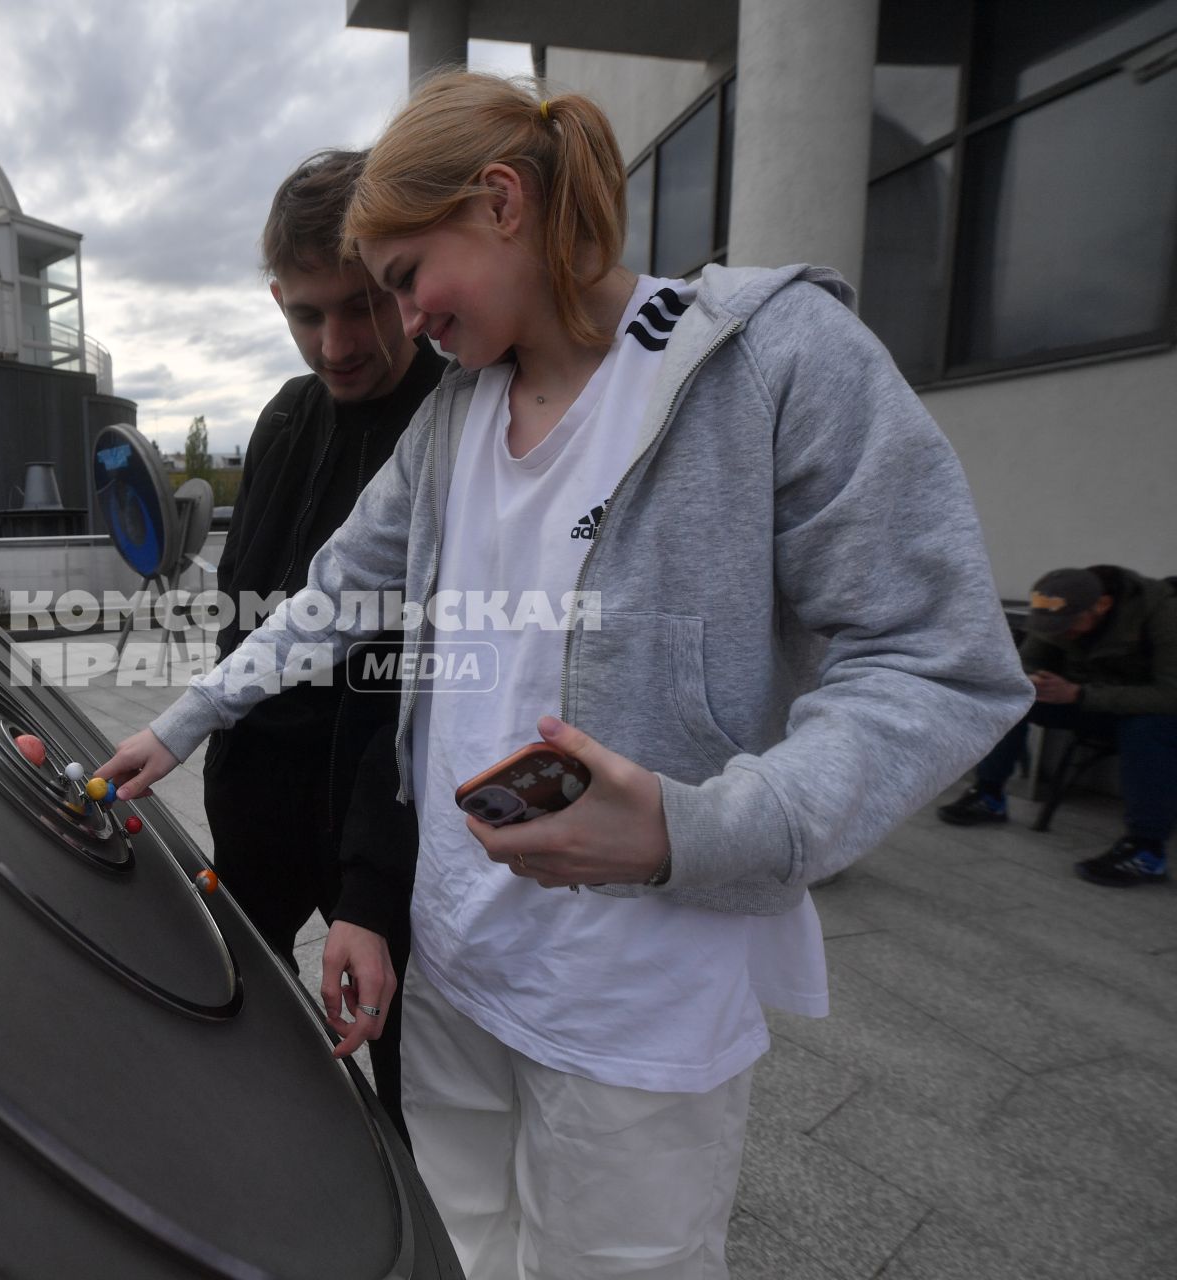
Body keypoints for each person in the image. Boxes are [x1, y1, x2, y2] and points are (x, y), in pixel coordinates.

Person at [101, 71, 1031, 1278]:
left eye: (402, 281)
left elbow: (938, 662)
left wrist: (693, 827)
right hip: (453, 970)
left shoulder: (769, 360)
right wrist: (177, 725)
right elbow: (332, 600)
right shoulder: (451, 422)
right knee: (461, 1249)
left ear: (499, 202)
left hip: (633, 1000)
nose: (403, 320)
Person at [203, 149, 444, 1136]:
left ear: (402, 284)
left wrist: (374, 889)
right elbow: (237, 606)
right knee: (235, 1035)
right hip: (256, 810)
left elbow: (424, 675)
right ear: (276, 300)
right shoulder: (284, 417)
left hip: (380, 820)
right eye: (307, 314)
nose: (335, 342)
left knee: (404, 1095)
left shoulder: (454, 418)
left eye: (359, 306)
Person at [939, 565, 1177, 887]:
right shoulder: (1060, 607)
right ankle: (989, 794)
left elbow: (1169, 695)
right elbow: (1027, 663)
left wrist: (1080, 694)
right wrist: (1033, 680)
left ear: (1103, 605)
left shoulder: (1162, 613)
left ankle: (1147, 851)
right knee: (1013, 699)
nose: (1062, 632)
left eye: (1069, 626)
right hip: (1086, 699)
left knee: (1148, 729)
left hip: (1147, 711)